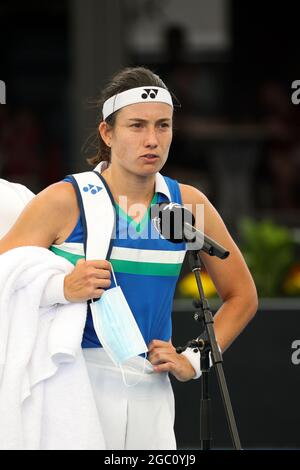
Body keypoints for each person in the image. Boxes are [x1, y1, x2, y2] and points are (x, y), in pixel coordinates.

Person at [0, 66, 258, 450]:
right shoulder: (63, 199)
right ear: (108, 132)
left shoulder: (188, 204)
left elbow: (242, 296)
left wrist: (193, 358)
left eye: (163, 126)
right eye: (136, 126)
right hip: (72, 383)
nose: (152, 140)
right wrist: (61, 287)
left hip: (150, 389)